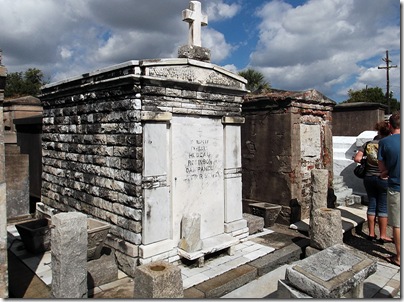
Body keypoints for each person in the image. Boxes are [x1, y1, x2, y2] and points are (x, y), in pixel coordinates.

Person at [354, 121, 392, 244]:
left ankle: (371, 233)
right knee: (383, 206)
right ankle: (383, 235)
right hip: (384, 177)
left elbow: (357, 158)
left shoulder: (368, 144)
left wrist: (367, 161)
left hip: (369, 177)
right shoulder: (388, 143)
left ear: (378, 131)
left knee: (372, 203)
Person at [378, 112, 400, 267]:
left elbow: (382, 170)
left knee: (398, 224)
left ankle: (399, 257)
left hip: (396, 185)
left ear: (390, 125)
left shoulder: (385, 142)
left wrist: (388, 171)